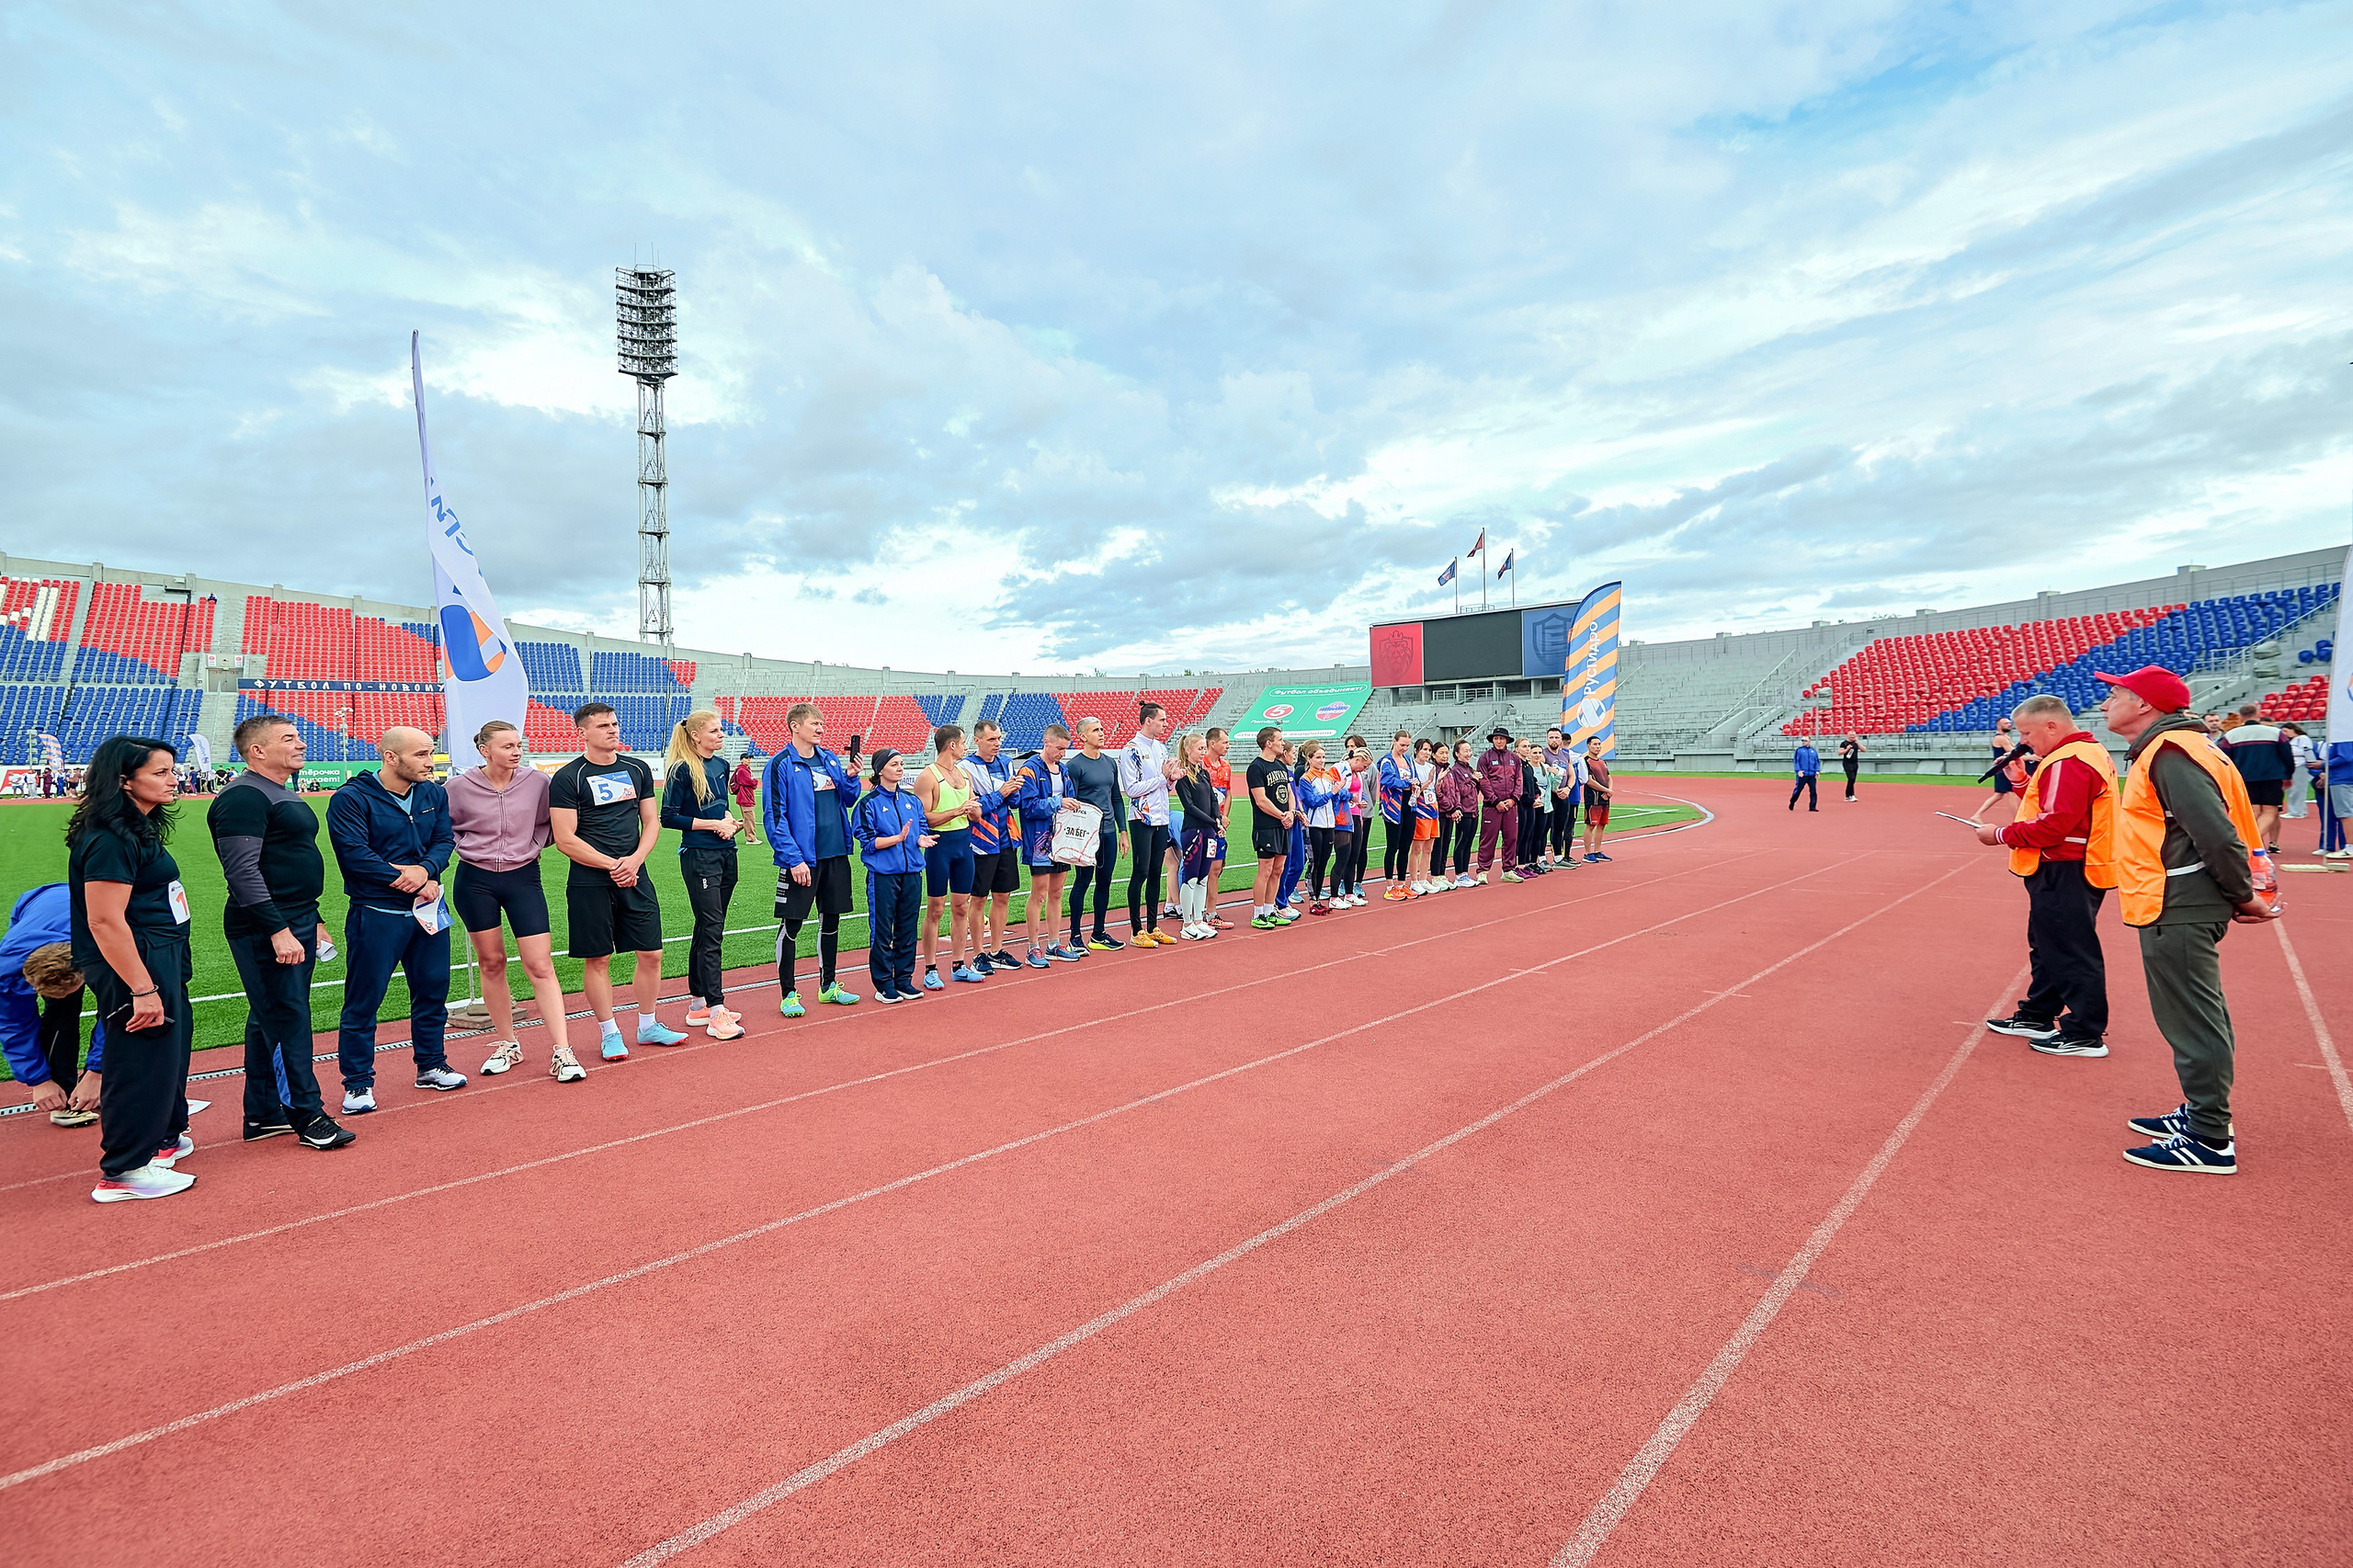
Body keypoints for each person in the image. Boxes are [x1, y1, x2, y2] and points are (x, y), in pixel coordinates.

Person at [2094, 665, 2278, 1173]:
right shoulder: (2181, 748)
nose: (2106, 703)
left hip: (2178, 901)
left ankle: (2209, 1137)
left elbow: (2215, 834)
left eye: (2115, 695)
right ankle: (2202, 1113)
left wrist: (2242, 895)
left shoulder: (2170, 753)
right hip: (2178, 898)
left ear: (2145, 705)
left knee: (2192, 1019)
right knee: (2201, 1012)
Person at [209, 711, 353, 1146]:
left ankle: (264, 1113)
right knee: (288, 1017)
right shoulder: (243, 798)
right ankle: (307, 1115)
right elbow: (242, 873)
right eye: (289, 738)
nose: (301, 744)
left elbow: (290, 862)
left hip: (298, 917)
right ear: (257, 750)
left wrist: (315, 919)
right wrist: (277, 929)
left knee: (268, 1019)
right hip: (265, 926)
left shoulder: (274, 791)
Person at [70, 735, 198, 1201]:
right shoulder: (109, 838)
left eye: (172, 769)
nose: (173, 779)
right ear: (124, 781)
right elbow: (103, 919)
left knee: (161, 1056)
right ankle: (122, 1171)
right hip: (135, 959)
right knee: (138, 1059)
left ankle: (153, 1144)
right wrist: (142, 989)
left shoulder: (136, 829)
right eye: (160, 772)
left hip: (156, 951)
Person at [329, 726, 466, 1112]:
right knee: (363, 1001)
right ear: (391, 757)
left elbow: (445, 841)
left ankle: (431, 1065)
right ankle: (357, 1084)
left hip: (428, 911)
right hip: (377, 913)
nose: (430, 761)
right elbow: (355, 854)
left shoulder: (433, 793)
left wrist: (425, 870)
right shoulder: (351, 798)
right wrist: (405, 879)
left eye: (431, 753)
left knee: (433, 990)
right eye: (421, 754)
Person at [1974, 695, 2115, 1057]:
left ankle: (2085, 1032)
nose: (2023, 742)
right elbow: (2051, 807)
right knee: (2049, 943)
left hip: (2064, 863)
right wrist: (2021, 781)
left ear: (2051, 726)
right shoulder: (2075, 755)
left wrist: (2000, 835)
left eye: (2027, 733)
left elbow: (2054, 825)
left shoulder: (2071, 759)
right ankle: (2038, 1013)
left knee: (2069, 947)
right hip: (2065, 862)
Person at [449, 719, 584, 1078]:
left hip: (523, 878)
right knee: (491, 963)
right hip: (474, 880)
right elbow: (443, 831)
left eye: (519, 745)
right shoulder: (458, 787)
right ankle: (508, 1044)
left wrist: (532, 846)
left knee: (540, 965)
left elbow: (556, 826)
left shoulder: (538, 783)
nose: (516, 752)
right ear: (484, 750)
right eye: (508, 746)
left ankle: (563, 1051)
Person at [549, 703, 682, 1058]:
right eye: (603, 725)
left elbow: (651, 822)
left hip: (635, 874)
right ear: (583, 733)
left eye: (615, 723)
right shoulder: (568, 777)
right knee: (598, 959)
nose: (612, 730)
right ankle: (609, 1032)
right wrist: (613, 865)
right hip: (589, 881)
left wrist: (635, 860)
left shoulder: (636, 769)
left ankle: (648, 1025)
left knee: (652, 953)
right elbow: (565, 838)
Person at [761, 701, 861, 1015]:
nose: (821, 728)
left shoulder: (829, 759)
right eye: (814, 724)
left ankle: (828, 986)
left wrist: (852, 776)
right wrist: (793, 859)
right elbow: (774, 818)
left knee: (831, 920)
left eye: (822, 724)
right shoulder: (779, 764)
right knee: (792, 924)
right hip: (803, 859)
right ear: (795, 726)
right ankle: (788, 993)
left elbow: (847, 798)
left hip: (835, 855)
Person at [662, 710, 745, 1040]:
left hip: (726, 853)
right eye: (714, 730)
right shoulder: (681, 769)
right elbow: (669, 817)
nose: (720, 734)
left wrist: (728, 822)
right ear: (696, 735)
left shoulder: (722, 765)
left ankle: (697, 1004)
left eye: (721, 729)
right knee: (712, 931)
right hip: (699, 857)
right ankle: (715, 1009)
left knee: (708, 926)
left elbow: (718, 806)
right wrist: (714, 826)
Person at [0, 886, 106, 1128]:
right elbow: (14, 1026)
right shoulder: (6, 971)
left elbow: (117, 1012)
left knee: (119, 1003)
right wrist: (39, 1081)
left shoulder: (101, 947)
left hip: (89, 907)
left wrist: (97, 1073)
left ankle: (100, 1085)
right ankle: (65, 1097)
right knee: (61, 1010)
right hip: (32, 904)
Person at [852, 748, 934, 1002]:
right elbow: (866, 841)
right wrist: (896, 839)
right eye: (894, 764)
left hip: (912, 874)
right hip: (883, 876)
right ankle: (883, 983)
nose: (900, 768)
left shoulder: (912, 801)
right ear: (880, 771)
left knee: (908, 928)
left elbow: (920, 827)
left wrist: (921, 839)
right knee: (882, 931)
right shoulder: (868, 804)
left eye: (902, 764)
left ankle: (903, 980)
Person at [915, 724, 985, 987]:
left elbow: (973, 811)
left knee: (961, 907)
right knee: (935, 909)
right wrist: (957, 811)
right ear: (951, 745)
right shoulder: (928, 776)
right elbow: (924, 817)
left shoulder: (964, 774)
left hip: (963, 846)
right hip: (939, 847)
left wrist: (974, 809)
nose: (966, 747)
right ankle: (930, 968)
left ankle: (958, 964)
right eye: (964, 743)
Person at [1014, 723, 1084, 964]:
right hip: (1039, 841)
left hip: (1061, 840)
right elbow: (1028, 807)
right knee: (1040, 894)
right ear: (1047, 742)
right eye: (1059, 748)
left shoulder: (1063, 771)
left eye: (1065, 749)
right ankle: (1033, 947)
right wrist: (1058, 803)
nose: (1062, 753)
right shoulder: (1029, 770)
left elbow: (1071, 799)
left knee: (1056, 893)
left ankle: (1054, 943)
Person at [962, 719, 1025, 971]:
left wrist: (1015, 790)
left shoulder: (1006, 762)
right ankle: (978, 953)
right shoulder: (966, 767)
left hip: (1007, 838)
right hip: (981, 841)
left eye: (999, 739)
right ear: (977, 740)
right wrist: (1002, 793)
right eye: (991, 739)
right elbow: (973, 808)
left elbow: (1015, 801)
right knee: (978, 899)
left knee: (1003, 896)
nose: (997, 744)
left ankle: (996, 950)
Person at [1118, 701, 1178, 947]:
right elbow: (1131, 789)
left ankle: (1153, 926)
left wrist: (1172, 780)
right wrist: (1162, 777)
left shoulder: (1161, 748)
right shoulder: (1130, 750)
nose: (1165, 724)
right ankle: (1135, 930)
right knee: (1141, 872)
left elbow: (1164, 786)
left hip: (1162, 817)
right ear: (1148, 721)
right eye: (1162, 720)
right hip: (1142, 817)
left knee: (1156, 872)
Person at [1064, 717, 1125, 949]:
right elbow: (1073, 802)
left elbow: (1117, 799)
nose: (1101, 733)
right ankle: (1075, 937)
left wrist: (1122, 831)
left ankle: (1098, 933)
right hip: (1086, 835)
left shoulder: (1110, 763)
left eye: (1102, 728)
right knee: (1082, 882)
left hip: (1108, 832)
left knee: (1105, 882)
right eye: (1095, 730)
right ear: (1082, 736)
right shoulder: (1075, 766)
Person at [2217, 706, 2294, 854]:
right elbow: (2287, 756)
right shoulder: (2275, 733)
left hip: (2244, 778)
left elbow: (2226, 759)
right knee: (2270, 811)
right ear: (2258, 715)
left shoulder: (2231, 735)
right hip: (2272, 776)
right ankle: (2251, 842)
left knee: (2253, 811)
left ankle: (2248, 841)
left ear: (2240, 717)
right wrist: (2288, 775)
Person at [1245, 726, 1299, 928]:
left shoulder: (1280, 766)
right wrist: (1281, 815)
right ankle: (1258, 913)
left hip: (1283, 824)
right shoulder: (1256, 768)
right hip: (1266, 826)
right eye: (1280, 739)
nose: (1282, 743)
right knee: (1265, 869)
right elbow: (1261, 800)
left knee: (1278, 869)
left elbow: (1289, 793)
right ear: (1269, 743)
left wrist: (1291, 813)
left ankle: (1270, 910)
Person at [1172, 733, 1222, 938]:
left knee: (1203, 878)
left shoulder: (1203, 772)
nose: (1203, 752)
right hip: (1194, 832)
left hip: (1210, 831)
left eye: (1204, 749)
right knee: (1190, 879)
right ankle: (1187, 924)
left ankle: (1199, 920)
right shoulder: (1183, 777)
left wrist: (1217, 818)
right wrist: (1211, 821)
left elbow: (1211, 798)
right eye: (1200, 749)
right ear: (1188, 750)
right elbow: (1190, 807)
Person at [1476, 726, 1521, 884]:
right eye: (1496, 738)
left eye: (1502, 738)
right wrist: (1496, 801)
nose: (1499, 741)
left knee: (1511, 838)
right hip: (1491, 806)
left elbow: (1518, 780)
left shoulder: (1514, 759)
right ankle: (1483, 871)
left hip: (1511, 806)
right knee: (1488, 839)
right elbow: (1484, 782)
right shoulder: (1485, 758)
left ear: (1507, 740)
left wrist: (1513, 799)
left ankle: (1508, 870)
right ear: (1492, 740)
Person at [1202, 728, 1235, 928]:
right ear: (1212, 744)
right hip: (1204, 823)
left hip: (1219, 825)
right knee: (1200, 868)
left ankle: (1211, 912)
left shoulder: (1226, 766)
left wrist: (1225, 817)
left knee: (1215, 868)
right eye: (1224, 742)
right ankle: (1195, 910)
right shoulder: (1201, 766)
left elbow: (1229, 793)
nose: (1228, 746)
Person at [1377, 732, 1415, 899]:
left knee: (1405, 847)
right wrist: (1407, 783)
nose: (1405, 748)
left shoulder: (1408, 760)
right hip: (1393, 807)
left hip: (1409, 806)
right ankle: (1389, 886)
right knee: (1393, 846)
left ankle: (1402, 883)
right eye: (1402, 745)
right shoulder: (1387, 761)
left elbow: (1414, 778)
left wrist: (1416, 784)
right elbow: (1387, 780)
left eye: (1407, 745)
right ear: (1394, 742)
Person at [1438, 738, 1479, 889]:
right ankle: (1459, 874)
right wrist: (1474, 781)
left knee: (1468, 843)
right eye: (1465, 751)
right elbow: (1463, 791)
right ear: (1457, 753)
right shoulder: (1456, 770)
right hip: (1464, 811)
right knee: (1461, 843)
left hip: (1474, 810)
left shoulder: (1469, 769)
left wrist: (1476, 781)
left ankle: (1465, 873)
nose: (1469, 753)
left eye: (1470, 750)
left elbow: (1474, 791)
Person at [1581, 739, 1614, 862]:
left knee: (1602, 824)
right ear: (1588, 746)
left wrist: (1609, 791)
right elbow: (1589, 781)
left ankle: (1598, 850)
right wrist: (1606, 790)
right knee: (1591, 824)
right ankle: (1587, 853)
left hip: (1605, 799)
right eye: (1595, 744)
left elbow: (1609, 777)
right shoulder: (1586, 761)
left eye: (1599, 744)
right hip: (1593, 798)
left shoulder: (1602, 762)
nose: (1598, 747)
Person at [2282, 722, 2315, 823]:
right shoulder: (2290, 741)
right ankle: (2294, 810)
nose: (2285, 734)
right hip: (2292, 765)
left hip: (2300, 765)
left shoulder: (2302, 738)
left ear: (2293, 729)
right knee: (2291, 789)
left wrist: (2290, 751)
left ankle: (2298, 811)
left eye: (2286, 731)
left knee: (2298, 789)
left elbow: (2307, 751)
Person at [730, 754, 761, 845]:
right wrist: (755, 782)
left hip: (745, 797)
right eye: (746, 758)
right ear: (741, 760)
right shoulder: (742, 770)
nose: (748, 760)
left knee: (747, 819)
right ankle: (751, 839)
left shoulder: (743, 769)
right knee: (749, 819)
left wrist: (753, 782)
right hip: (745, 797)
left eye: (749, 758)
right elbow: (749, 781)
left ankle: (729, 831)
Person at [1790, 736, 1821, 812]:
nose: (1803, 742)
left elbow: (1817, 761)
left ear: (1809, 741)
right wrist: (1798, 770)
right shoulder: (1799, 751)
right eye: (1802, 740)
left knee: (1813, 791)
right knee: (1798, 790)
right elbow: (1796, 761)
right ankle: (1792, 802)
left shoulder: (1813, 751)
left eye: (1805, 740)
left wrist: (1817, 770)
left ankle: (1812, 806)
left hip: (1812, 774)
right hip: (1803, 774)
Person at [1838, 733, 1864, 802]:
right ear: (1848, 736)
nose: (1852, 737)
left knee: (1853, 780)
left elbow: (1864, 750)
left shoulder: (1856, 744)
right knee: (1851, 778)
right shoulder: (1844, 743)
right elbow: (1839, 753)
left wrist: (1858, 742)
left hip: (1855, 763)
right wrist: (1847, 749)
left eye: (1854, 735)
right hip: (1847, 763)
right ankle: (1851, 795)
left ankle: (1847, 796)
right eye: (1851, 735)